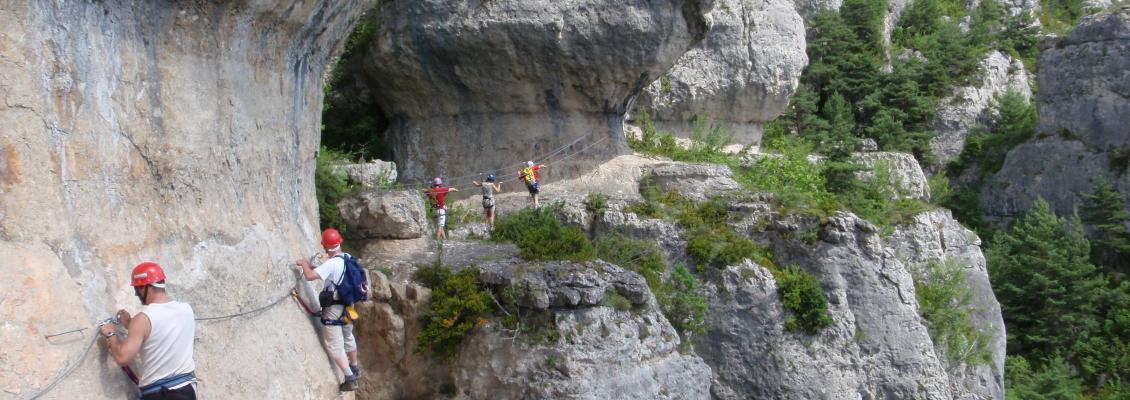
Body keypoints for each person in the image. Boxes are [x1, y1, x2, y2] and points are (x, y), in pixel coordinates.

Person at [100, 262, 197, 400]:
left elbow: (122, 357)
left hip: (161, 394)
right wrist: (130, 324)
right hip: (188, 389)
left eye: (137, 289)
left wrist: (111, 334)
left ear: (147, 287)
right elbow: (162, 330)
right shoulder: (186, 309)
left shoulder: (143, 319)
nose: (136, 294)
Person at [296, 228, 360, 392]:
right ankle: (354, 367)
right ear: (340, 242)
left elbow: (310, 276)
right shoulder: (348, 258)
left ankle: (349, 377)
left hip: (334, 309)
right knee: (348, 335)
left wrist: (303, 264)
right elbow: (327, 270)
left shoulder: (332, 263)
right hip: (349, 306)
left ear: (324, 245)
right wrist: (313, 266)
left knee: (334, 344)